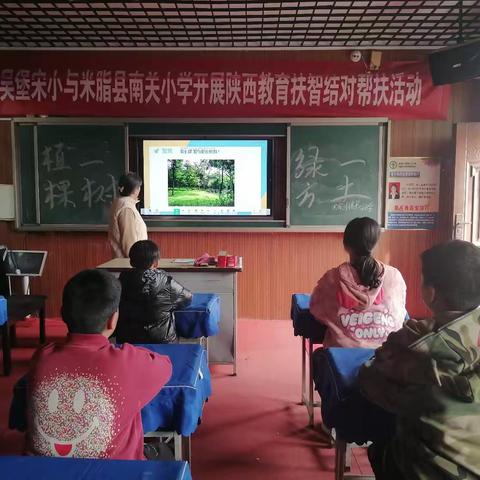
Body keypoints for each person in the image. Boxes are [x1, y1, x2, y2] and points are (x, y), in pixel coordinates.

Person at [359, 240, 480, 480]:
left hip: (428, 471)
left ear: (430, 292)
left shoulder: (414, 344)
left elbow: (369, 380)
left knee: (381, 449)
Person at [26, 269, 172, 460]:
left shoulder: (42, 356)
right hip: (114, 472)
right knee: (165, 453)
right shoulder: (130, 361)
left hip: (40, 472)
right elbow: (166, 366)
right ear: (113, 320)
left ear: (63, 315)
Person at [309, 217, 407, 347]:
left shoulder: (332, 278)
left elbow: (316, 309)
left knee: (318, 356)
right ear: (375, 244)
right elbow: (400, 312)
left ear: (345, 245)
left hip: (342, 357)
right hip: (386, 355)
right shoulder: (394, 276)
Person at [116, 240, 193, 344]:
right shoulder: (166, 282)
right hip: (162, 342)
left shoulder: (120, 282)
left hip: (127, 342)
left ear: (131, 261)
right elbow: (187, 299)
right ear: (156, 263)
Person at [109, 172, 148, 259]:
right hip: (129, 263)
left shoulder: (121, 203)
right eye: (139, 187)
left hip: (127, 262)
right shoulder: (126, 207)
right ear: (135, 189)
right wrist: (137, 262)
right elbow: (128, 242)